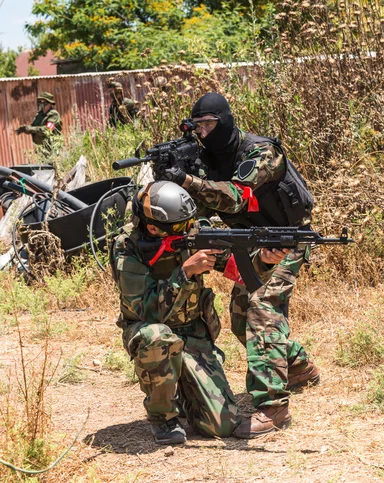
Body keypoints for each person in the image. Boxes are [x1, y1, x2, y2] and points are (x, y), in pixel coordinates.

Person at [155, 92, 320, 439]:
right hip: (251, 239)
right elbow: (197, 207)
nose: (202, 132)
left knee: (262, 306)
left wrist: (187, 180)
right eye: (196, 126)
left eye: (209, 124)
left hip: (286, 237)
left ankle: (273, 406)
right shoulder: (208, 159)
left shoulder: (262, 152)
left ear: (225, 120)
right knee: (242, 317)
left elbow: (235, 196)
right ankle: (298, 365)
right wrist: (170, 183)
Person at [110, 180, 289, 444]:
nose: (189, 230)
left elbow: (236, 269)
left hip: (193, 332)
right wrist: (185, 273)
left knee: (223, 426)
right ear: (152, 227)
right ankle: (163, 418)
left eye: (190, 222)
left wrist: (263, 260)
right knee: (157, 338)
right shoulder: (129, 246)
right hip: (150, 330)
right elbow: (146, 309)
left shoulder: (195, 231)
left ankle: (185, 392)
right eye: (181, 227)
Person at [15, 92, 62, 158]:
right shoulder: (39, 115)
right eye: (40, 101)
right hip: (41, 148)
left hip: (51, 148)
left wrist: (31, 129)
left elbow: (47, 130)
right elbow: (33, 127)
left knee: (51, 166)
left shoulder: (53, 115)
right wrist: (25, 129)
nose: (41, 103)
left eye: (43, 101)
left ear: (49, 102)